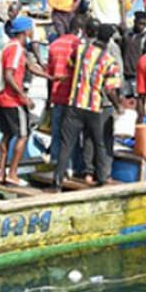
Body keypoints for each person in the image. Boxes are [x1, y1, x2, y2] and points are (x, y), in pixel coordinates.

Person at [54, 22, 123, 190]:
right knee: (99, 143)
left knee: (66, 145)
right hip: (94, 108)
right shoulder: (109, 61)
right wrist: (118, 107)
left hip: (74, 104)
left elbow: (70, 64)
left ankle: (57, 182)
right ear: (109, 41)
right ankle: (102, 178)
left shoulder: (81, 51)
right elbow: (110, 89)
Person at [0, 15, 36, 186]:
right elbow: (9, 75)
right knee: (23, 135)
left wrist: (49, 76)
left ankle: (1, 173)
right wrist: (23, 96)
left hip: (2, 99)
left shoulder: (9, 46)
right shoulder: (16, 49)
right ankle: (12, 173)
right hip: (13, 100)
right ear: (26, 31)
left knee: (7, 134)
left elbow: (29, 66)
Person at [46, 14, 85, 172]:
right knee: (72, 135)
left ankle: (56, 164)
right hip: (73, 96)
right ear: (80, 30)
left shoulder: (54, 45)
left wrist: (49, 98)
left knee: (56, 132)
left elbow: (49, 75)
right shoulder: (79, 46)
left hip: (56, 95)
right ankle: (71, 167)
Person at [121, 11, 146, 96]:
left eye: (144, 24)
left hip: (137, 74)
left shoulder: (145, 37)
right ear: (135, 21)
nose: (142, 26)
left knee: (137, 99)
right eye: (140, 23)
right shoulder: (127, 34)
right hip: (125, 73)